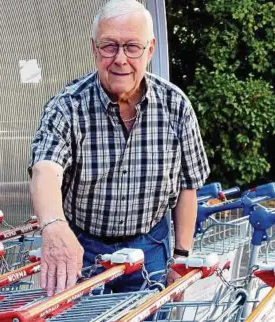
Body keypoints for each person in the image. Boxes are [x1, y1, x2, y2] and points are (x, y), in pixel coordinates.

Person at [29, 0, 210, 297]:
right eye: (110, 46)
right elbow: (45, 169)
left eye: (132, 47)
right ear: (94, 49)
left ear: (150, 50)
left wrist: (181, 255)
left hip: (150, 246)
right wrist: (54, 226)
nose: (120, 59)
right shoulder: (68, 106)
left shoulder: (176, 107)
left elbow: (188, 187)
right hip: (83, 248)